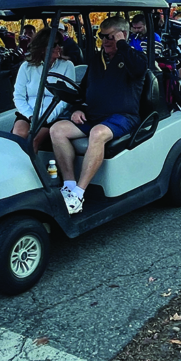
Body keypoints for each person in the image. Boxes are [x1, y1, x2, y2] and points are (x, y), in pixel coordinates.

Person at [49, 16, 147, 215]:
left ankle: (79, 193)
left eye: (110, 37)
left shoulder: (133, 57)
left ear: (123, 35)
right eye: (102, 37)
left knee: (97, 133)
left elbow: (139, 69)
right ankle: (69, 185)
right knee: (57, 130)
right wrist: (78, 109)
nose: (105, 41)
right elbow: (84, 91)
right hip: (94, 114)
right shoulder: (96, 59)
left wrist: (121, 44)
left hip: (123, 116)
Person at [12, 31, 77, 151]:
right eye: (54, 45)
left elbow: (66, 98)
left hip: (53, 113)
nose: (59, 47)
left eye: (60, 44)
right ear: (42, 48)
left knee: (34, 141)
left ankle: (32, 169)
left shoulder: (68, 66)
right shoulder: (26, 67)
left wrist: (47, 118)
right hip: (29, 112)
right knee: (18, 136)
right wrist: (31, 116)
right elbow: (18, 96)